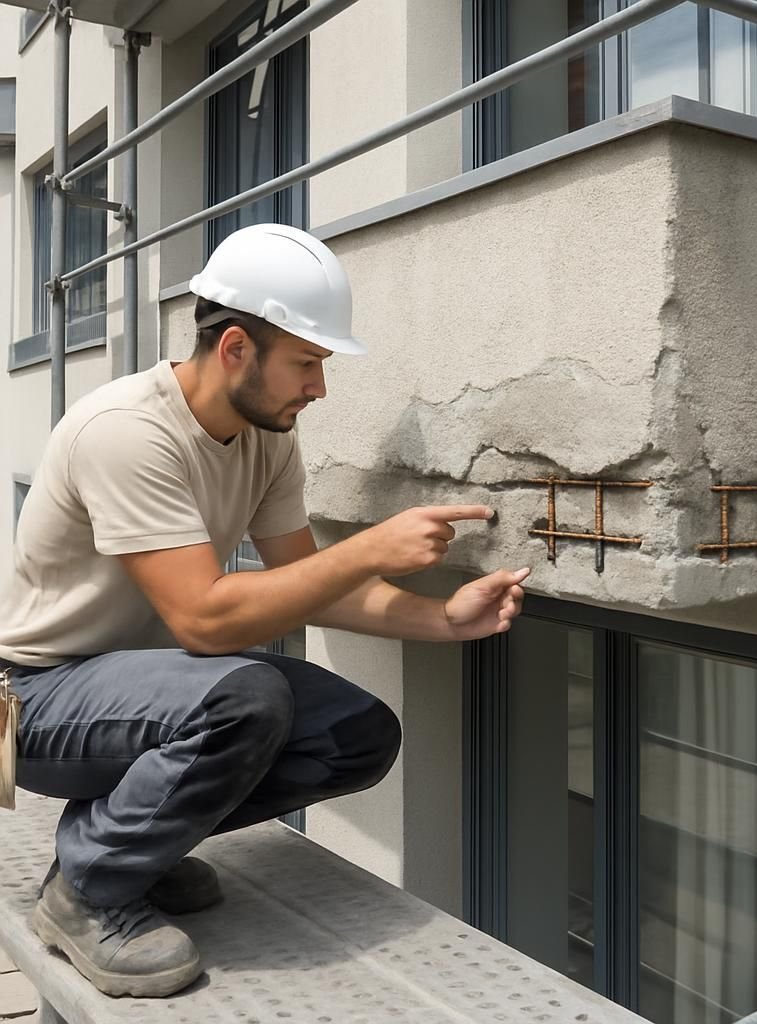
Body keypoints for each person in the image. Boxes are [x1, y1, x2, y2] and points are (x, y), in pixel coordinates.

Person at [0, 223, 529, 999]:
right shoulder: (126, 432)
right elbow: (205, 622)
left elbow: (311, 581)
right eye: (308, 363)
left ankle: (124, 843)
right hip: (29, 702)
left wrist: (444, 618)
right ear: (237, 348)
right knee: (247, 695)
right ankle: (87, 892)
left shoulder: (265, 439)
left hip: (139, 692)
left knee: (357, 735)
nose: (319, 387)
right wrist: (371, 547)